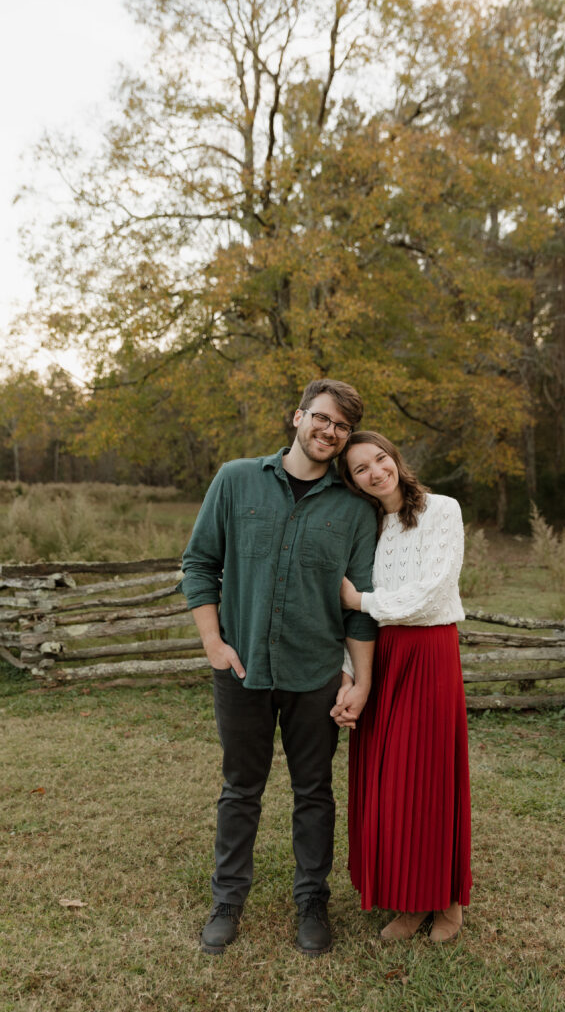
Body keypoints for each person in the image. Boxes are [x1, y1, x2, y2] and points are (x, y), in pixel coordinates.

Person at [179, 380, 377, 957]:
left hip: (315, 673)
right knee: (240, 788)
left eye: (341, 426)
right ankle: (227, 901)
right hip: (241, 669)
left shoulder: (354, 508)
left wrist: (360, 681)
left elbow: (360, 604)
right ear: (298, 417)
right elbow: (199, 564)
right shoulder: (236, 478)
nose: (329, 431)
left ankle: (312, 902)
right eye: (322, 418)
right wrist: (214, 644)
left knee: (314, 792)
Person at [331, 430, 471, 942]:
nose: (375, 472)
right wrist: (352, 670)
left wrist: (362, 602)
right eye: (361, 469)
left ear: (395, 458)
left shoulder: (442, 510)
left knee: (429, 777)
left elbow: (433, 591)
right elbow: (355, 611)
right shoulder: (365, 524)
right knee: (389, 781)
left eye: (380, 459)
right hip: (382, 657)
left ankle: (448, 902)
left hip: (429, 653)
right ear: (351, 482)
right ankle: (408, 903)